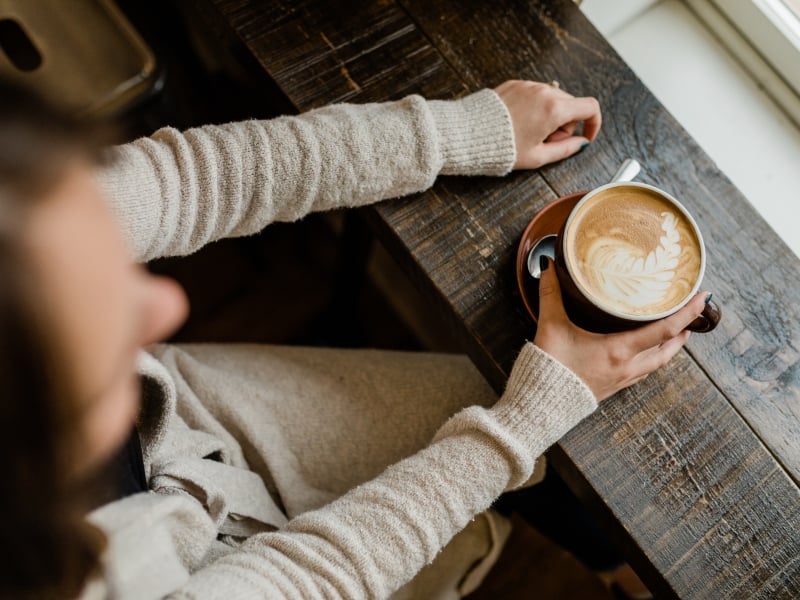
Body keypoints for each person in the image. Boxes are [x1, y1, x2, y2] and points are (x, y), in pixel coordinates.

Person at [0, 75, 709, 600]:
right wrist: (525, 420)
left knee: (497, 391)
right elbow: (314, 576)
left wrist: (458, 131)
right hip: (258, 570)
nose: (166, 303)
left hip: (193, 430)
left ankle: (609, 565)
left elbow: (196, 178)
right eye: (95, 322)